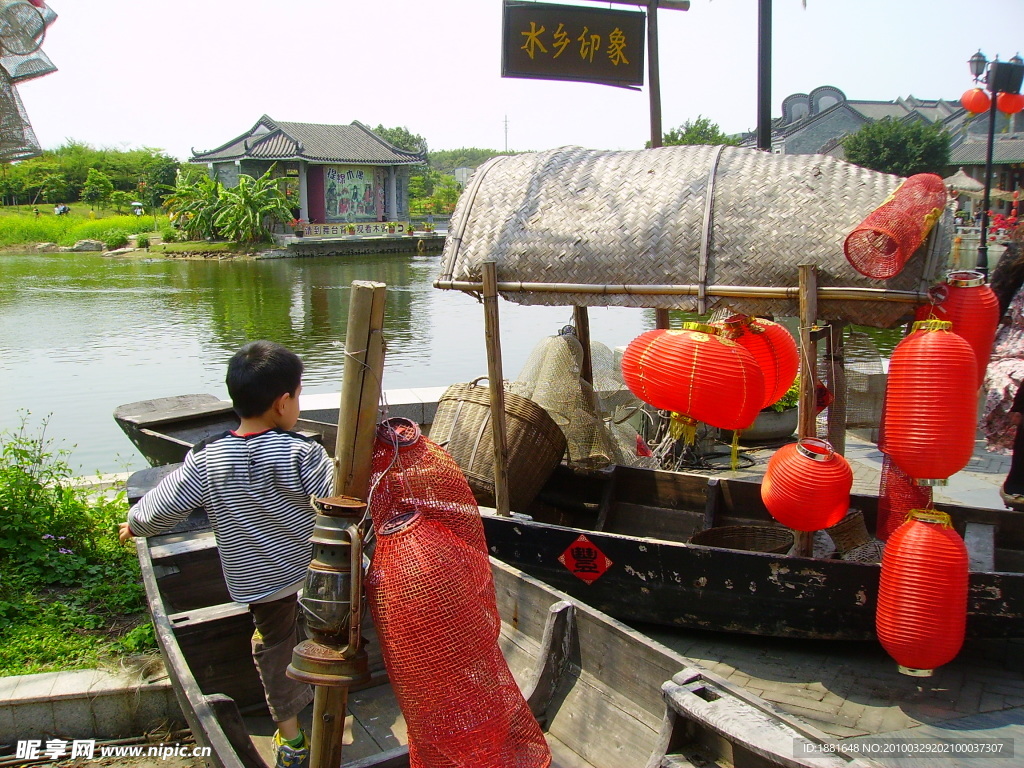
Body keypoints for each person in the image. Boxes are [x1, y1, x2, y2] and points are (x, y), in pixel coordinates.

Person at [119, 341, 332, 768]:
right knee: (325, 635)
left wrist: (135, 524)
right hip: (312, 573)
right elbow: (337, 500)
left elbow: (164, 504)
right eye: (299, 393)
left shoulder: (207, 458)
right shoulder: (301, 452)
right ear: (283, 402)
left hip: (261, 586)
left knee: (274, 649)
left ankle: (291, 740)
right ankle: (330, 697)